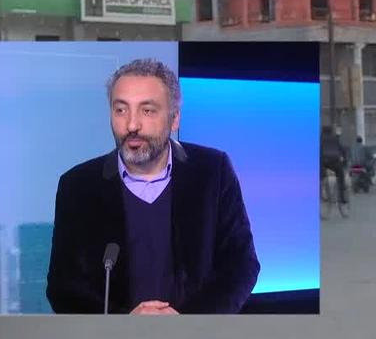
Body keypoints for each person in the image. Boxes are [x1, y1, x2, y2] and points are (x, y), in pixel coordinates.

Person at [47, 58, 259, 315]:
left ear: (174, 118)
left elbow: (241, 265)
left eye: (147, 111)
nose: (132, 125)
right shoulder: (78, 186)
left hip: (197, 334)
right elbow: (63, 288)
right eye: (121, 110)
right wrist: (124, 323)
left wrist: (188, 321)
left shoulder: (213, 171)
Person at [321, 126, 348, 205]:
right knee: (340, 176)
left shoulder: (320, 139)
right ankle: (341, 198)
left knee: (321, 177)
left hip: (322, 162)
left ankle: (321, 193)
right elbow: (343, 150)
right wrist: (345, 160)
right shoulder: (335, 139)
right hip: (334, 162)